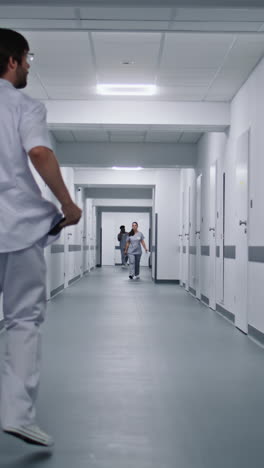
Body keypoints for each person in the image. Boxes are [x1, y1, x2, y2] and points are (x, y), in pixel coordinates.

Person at [0, 28, 82, 447]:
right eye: (27, 58)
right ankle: (16, 411)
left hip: (16, 229)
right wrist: (67, 202)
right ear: (12, 61)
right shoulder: (22, 105)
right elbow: (39, 153)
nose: (29, 66)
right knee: (22, 319)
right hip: (16, 229)